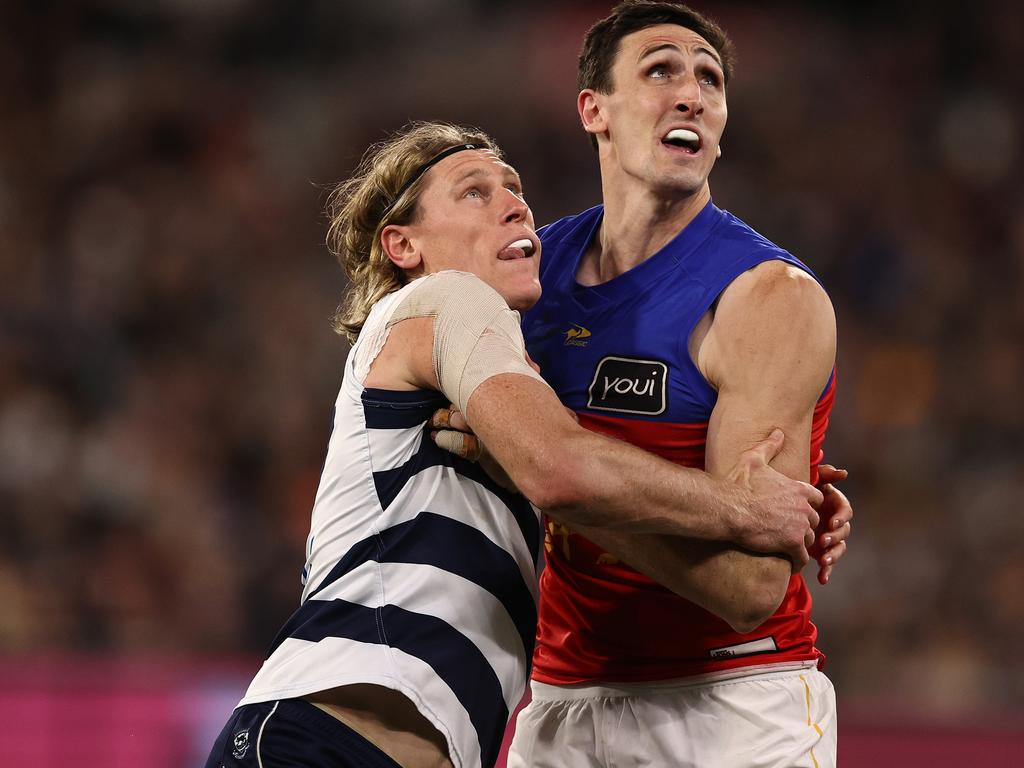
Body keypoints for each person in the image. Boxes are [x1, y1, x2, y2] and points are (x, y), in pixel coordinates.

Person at [202, 121, 833, 768]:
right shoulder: (446, 300)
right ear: (402, 243)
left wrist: (793, 484)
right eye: (474, 192)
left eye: (514, 188)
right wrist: (743, 507)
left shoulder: (498, 380)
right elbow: (561, 466)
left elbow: (583, 467)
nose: (515, 204)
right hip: (327, 741)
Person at [499, 3, 848, 767]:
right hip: (561, 700)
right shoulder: (524, 279)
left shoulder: (768, 299)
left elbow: (750, 585)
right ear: (595, 109)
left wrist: (552, 476)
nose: (692, 94)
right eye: (660, 70)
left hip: (734, 704)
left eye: (709, 81)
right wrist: (548, 473)